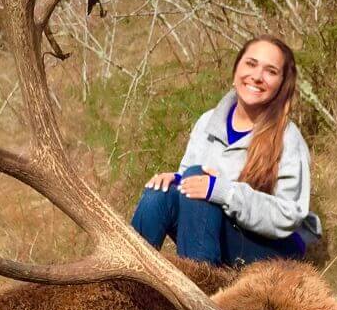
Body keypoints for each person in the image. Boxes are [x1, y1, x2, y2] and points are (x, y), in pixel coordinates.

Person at [130, 35, 322, 266]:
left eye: (270, 71)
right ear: (236, 70)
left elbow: (289, 215)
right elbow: (190, 183)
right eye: (251, 64)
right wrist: (176, 180)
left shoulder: (288, 138)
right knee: (158, 195)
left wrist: (222, 191)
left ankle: (200, 291)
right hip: (214, 232)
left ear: (282, 84)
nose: (257, 76)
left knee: (198, 179)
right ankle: (125, 286)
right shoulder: (208, 121)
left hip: (269, 253)